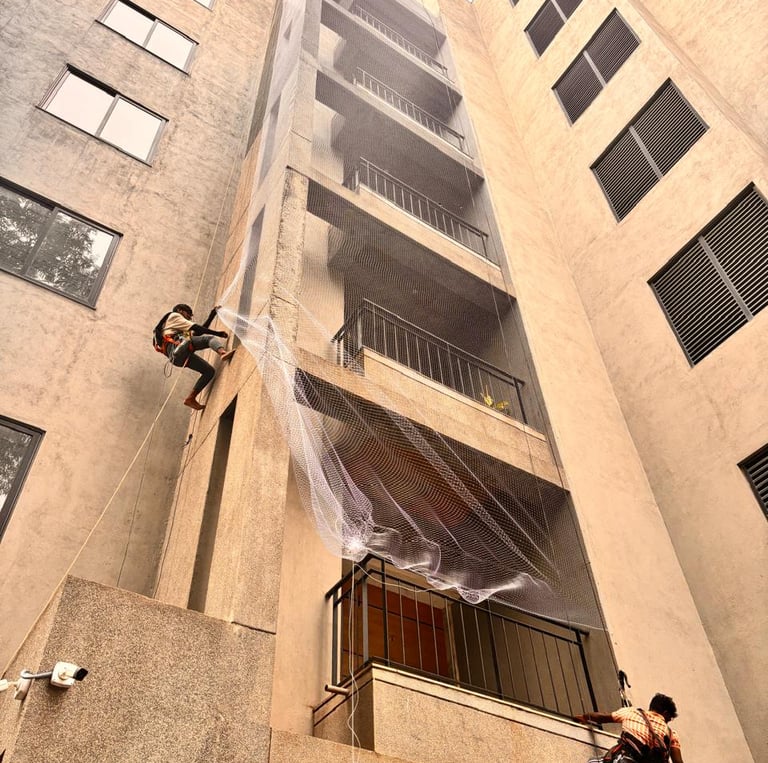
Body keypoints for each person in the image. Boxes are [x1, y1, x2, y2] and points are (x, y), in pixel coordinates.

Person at [154, 303, 234, 410]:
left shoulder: (177, 328)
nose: (190, 317)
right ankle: (223, 353)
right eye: (189, 314)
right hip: (175, 345)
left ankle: (190, 398)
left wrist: (212, 314)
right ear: (180, 310)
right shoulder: (174, 315)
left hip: (177, 357)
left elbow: (198, 332)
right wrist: (217, 334)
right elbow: (197, 328)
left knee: (209, 371)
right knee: (209, 339)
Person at [575, 693, 683, 763]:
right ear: (665, 713)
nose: (667, 722)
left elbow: (603, 717)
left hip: (625, 758)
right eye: (669, 719)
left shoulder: (632, 712)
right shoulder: (671, 734)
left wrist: (585, 717)